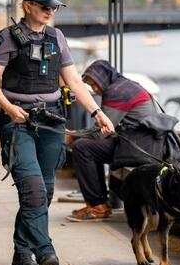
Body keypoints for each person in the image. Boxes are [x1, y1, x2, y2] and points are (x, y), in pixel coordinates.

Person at [0, 0, 115, 265]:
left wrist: (97, 112)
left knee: (42, 192)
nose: (50, 12)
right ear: (27, 6)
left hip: (52, 123)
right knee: (32, 191)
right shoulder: (7, 38)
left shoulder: (57, 38)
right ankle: (45, 251)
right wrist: (9, 108)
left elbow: (75, 82)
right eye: (44, 7)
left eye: (54, 7)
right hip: (19, 122)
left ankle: (21, 249)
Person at [67, 59, 159, 222]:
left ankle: (98, 205)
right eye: (91, 86)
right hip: (144, 144)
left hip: (140, 148)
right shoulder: (125, 85)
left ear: (103, 78)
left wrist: (73, 135)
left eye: (95, 84)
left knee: (82, 147)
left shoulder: (117, 92)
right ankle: (99, 202)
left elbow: (101, 131)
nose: (95, 89)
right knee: (87, 146)